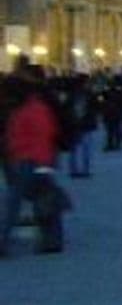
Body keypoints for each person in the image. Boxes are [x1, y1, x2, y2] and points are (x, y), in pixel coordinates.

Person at [2, 74, 66, 255]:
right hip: (40, 159)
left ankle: (3, 239)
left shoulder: (27, 110)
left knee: (15, 201)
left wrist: (15, 150)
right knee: (44, 197)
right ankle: (52, 239)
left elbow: (36, 136)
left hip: (30, 159)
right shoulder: (35, 108)